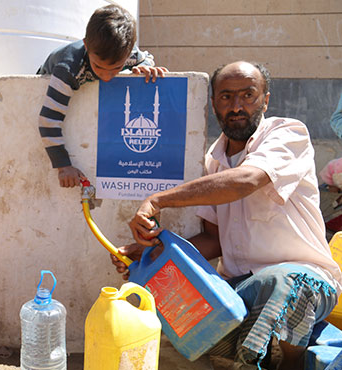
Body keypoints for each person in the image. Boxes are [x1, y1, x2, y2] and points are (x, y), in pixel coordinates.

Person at [112, 61, 342, 370]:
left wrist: (157, 201)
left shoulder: (287, 133)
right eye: (226, 97)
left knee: (286, 280)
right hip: (241, 289)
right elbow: (213, 239)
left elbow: (245, 181)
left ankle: (291, 362)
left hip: (307, 282)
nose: (237, 106)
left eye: (248, 95)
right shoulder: (213, 162)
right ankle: (246, 353)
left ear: (266, 100)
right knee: (179, 315)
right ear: (213, 103)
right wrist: (154, 254)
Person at [37, 4, 168, 188]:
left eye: (116, 69)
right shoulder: (69, 69)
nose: (106, 77)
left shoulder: (127, 53)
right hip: (44, 75)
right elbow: (49, 118)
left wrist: (143, 66)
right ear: (86, 45)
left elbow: (146, 58)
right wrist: (63, 165)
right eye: (98, 67)